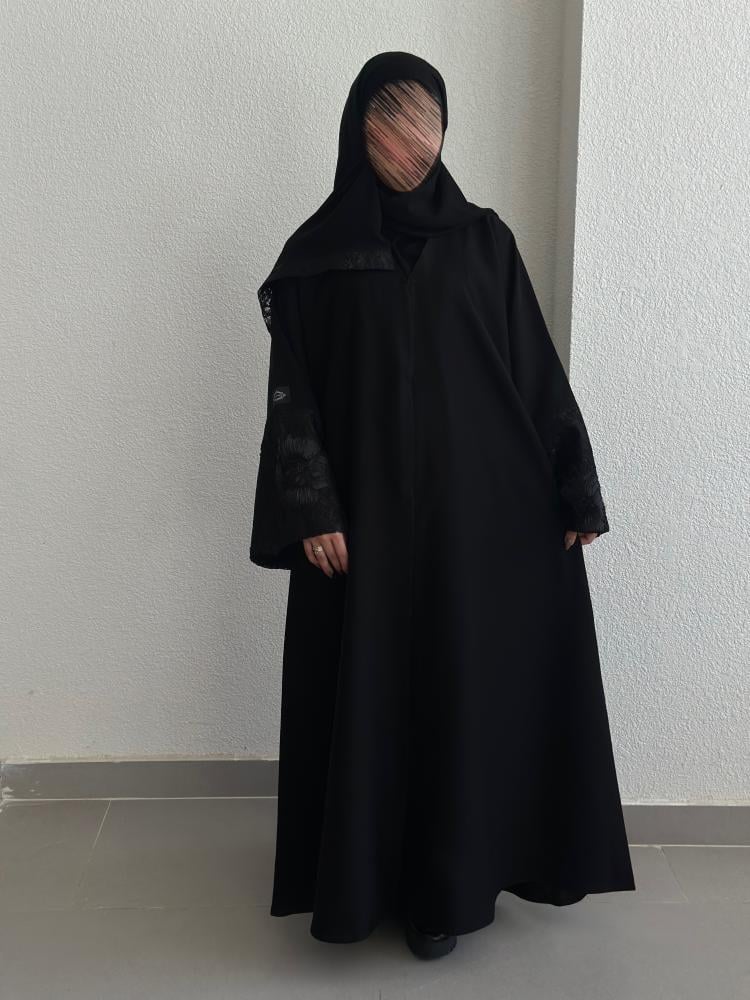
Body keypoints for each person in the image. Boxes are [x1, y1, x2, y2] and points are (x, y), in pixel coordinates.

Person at [249, 50, 635, 960]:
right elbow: (291, 394)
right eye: (388, 119)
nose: (409, 140)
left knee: (461, 693)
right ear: (357, 129)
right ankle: (363, 882)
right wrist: (312, 507)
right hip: (365, 528)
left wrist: (573, 488)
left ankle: (445, 893)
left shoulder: (484, 241)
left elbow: (534, 372)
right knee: (376, 693)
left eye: (423, 119)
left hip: (480, 522)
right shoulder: (317, 256)